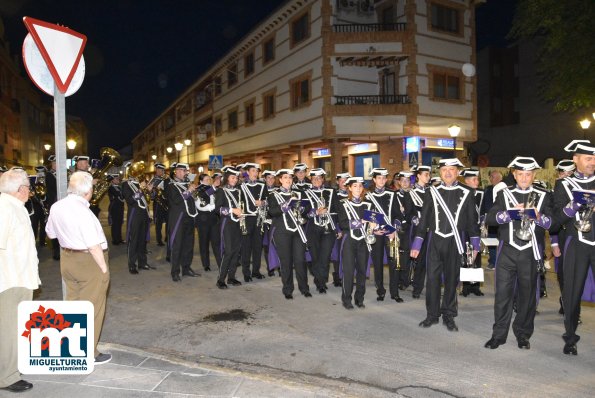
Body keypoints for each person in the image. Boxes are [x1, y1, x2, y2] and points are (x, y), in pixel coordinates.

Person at [484, 157, 554, 350]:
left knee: (528, 296)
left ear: (533, 175)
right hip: (507, 251)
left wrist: (539, 217)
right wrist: (509, 213)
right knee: (502, 295)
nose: (524, 178)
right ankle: (498, 335)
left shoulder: (543, 196)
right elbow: (490, 218)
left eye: (528, 174)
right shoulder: (504, 194)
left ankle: (523, 334)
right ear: (514, 175)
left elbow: (552, 224)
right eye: (520, 174)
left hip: (530, 252)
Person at [45, 171, 111, 365]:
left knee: (73, 306)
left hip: (67, 258)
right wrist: (104, 270)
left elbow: (50, 234)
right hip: (89, 261)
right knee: (92, 308)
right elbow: (93, 245)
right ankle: (90, 353)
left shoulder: (57, 206)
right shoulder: (84, 213)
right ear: (88, 191)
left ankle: (70, 346)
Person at [410, 159, 480, 332]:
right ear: (439, 172)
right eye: (444, 170)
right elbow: (424, 218)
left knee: (451, 279)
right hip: (435, 240)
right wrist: (417, 243)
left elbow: (472, 221)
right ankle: (432, 315)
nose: (448, 173)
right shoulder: (431, 191)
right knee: (432, 279)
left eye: (451, 169)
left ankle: (449, 314)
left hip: (455, 242)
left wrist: (475, 245)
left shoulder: (467, 192)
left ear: (457, 172)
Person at [553, 140, 595, 355]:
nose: (593, 162)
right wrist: (573, 206)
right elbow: (554, 222)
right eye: (588, 158)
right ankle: (570, 338)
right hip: (576, 243)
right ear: (576, 159)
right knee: (572, 292)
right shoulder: (564, 185)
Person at [0, 168, 40, 393]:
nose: (30, 191)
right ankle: (6, 376)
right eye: (28, 187)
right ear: (20, 189)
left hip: (20, 277)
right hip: (9, 280)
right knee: (7, 330)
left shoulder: (14, 207)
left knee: (15, 328)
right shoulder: (5, 208)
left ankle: (11, 368)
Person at [268, 168, 311, 299]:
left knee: (300, 260)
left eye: (290, 178)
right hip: (281, 232)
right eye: (285, 177)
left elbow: (307, 208)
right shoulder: (273, 195)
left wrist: (303, 209)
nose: (288, 180)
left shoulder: (298, 193)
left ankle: (304, 288)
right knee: (286, 261)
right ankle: (288, 289)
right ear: (280, 180)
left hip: (297, 230)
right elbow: (272, 212)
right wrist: (283, 207)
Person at [366, 167, 404, 302]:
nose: (382, 180)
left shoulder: (392, 194)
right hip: (376, 233)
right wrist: (373, 230)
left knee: (394, 262)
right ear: (374, 179)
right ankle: (380, 290)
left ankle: (395, 292)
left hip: (390, 234)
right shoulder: (368, 195)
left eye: (384, 178)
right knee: (377, 263)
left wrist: (394, 230)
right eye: (379, 178)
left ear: (386, 179)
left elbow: (398, 215)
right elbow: (366, 217)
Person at [338, 176, 372, 309]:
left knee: (362, 271)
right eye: (355, 186)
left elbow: (372, 222)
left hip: (363, 242)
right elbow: (343, 224)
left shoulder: (368, 204)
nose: (358, 188)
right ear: (350, 188)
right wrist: (361, 222)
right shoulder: (343, 204)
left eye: (360, 186)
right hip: (349, 242)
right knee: (348, 271)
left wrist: (374, 226)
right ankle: (346, 299)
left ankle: (360, 298)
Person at [304, 168, 336, 294]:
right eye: (314, 178)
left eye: (319, 178)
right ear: (311, 180)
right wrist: (316, 212)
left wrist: (338, 229)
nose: (317, 180)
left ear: (323, 179)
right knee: (316, 257)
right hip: (313, 230)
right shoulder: (305, 193)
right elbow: (303, 213)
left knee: (325, 257)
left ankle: (321, 283)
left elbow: (337, 211)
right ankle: (319, 280)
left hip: (328, 229)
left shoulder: (331, 192)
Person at [550, 159, 576, 315]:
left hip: (581, 235)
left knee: (578, 272)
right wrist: (554, 243)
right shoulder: (554, 192)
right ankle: (567, 302)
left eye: (569, 173)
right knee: (564, 272)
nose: (566, 176)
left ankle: (573, 306)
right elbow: (553, 219)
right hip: (563, 235)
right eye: (562, 173)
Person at [166, 163, 199, 281]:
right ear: (177, 171)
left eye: (186, 171)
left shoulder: (186, 184)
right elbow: (176, 200)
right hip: (178, 218)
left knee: (188, 245)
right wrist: (189, 191)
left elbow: (193, 199)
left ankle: (186, 268)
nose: (185, 173)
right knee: (177, 245)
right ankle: (175, 271)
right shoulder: (171, 185)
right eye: (183, 171)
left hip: (189, 217)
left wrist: (194, 192)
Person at [214, 166, 244, 288]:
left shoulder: (238, 191)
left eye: (236, 177)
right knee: (229, 251)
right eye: (232, 177)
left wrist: (241, 214)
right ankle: (221, 279)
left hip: (237, 223)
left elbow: (240, 206)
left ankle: (231, 277)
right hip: (226, 224)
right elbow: (218, 209)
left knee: (236, 251)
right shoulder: (221, 191)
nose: (235, 180)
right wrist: (232, 210)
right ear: (227, 178)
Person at [122, 163, 154, 274]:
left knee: (142, 240)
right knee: (133, 240)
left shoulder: (142, 183)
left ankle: (142, 263)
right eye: (136, 172)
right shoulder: (126, 184)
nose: (138, 174)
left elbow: (149, 199)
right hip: (134, 214)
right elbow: (130, 200)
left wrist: (150, 190)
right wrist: (140, 190)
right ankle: (132, 265)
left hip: (144, 214)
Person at [239, 163, 268, 281]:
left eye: (257, 171)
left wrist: (262, 203)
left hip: (258, 219)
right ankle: (246, 273)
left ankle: (256, 271)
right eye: (253, 171)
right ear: (247, 172)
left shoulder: (262, 185)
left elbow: (268, 200)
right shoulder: (241, 186)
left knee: (257, 247)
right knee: (246, 247)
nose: (255, 173)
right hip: (246, 219)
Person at [460, 168, 485, 297]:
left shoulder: (481, 193)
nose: (477, 181)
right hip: (465, 229)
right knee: (466, 257)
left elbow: (483, 209)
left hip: (476, 229)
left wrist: (483, 221)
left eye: (477, 179)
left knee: (477, 257)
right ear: (467, 181)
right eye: (474, 179)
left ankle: (475, 287)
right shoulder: (462, 193)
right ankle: (465, 287)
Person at [409, 165, 431, 299]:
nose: (428, 177)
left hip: (432, 229)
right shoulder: (411, 192)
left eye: (429, 175)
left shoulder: (432, 191)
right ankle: (417, 288)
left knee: (433, 261)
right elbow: (409, 212)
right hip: (419, 230)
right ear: (418, 176)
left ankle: (432, 288)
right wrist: (417, 220)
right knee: (421, 261)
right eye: (425, 175)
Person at [394, 171, 416, 291]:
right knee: (397, 255)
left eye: (407, 181)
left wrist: (407, 213)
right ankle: (397, 279)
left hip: (409, 229)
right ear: (399, 182)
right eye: (402, 181)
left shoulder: (414, 195)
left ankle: (405, 280)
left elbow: (415, 212)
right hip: (397, 229)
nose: (405, 183)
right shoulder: (394, 195)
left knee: (406, 256)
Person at [194, 173, 219, 271]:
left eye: (209, 179)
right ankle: (206, 264)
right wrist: (213, 187)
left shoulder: (212, 189)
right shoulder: (198, 190)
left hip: (214, 219)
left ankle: (220, 262)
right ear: (200, 181)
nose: (209, 180)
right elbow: (201, 200)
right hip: (203, 221)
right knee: (204, 243)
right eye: (206, 179)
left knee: (216, 243)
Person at [330, 172, 350, 287]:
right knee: (337, 253)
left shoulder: (353, 194)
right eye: (341, 180)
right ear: (337, 182)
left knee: (349, 254)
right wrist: (338, 229)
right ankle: (337, 275)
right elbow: (333, 214)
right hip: (339, 228)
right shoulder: (334, 196)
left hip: (351, 228)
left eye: (346, 180)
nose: (344, 182)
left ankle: (348, 276)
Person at [481, 170, 503, 269]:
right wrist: (484, 220)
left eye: (493, 177)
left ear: (499, 178)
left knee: (503, 241)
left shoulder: (505, 188)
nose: (490, 178)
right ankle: (493, 262)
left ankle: (501, 263)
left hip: (503, 219)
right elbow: (484, 204)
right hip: (491, 219)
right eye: (490, 177)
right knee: (491, 240)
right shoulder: (488, 189)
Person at [261, 170, 278, 277]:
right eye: (268, 178)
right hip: (264, 220)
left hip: (277, 220)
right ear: (265, 179)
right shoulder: (261, 190)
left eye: (273, 178)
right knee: (267, 246)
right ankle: (270, 268)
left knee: (279, 245)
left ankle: (281, 267)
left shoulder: (278, 190)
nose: (271, 180)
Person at [44, 155, 61, 260]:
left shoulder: (62, 174)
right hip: (54, 203)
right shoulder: (49, 175)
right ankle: (56, 252)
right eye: (54, 163)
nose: (56, 165)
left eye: (57, 163)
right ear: (52, 164)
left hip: (61, 204)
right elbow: (54, 188)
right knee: (55, 227)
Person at [152, 163, 169, 247]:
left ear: (163, 171)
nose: (158, 172)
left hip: (166, 203)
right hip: (158, 203)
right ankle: (159, 240)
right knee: (158, 223)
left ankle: (167, 237)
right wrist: (154, 189)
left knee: (168, 222)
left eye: (160, 170)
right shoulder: (154, 180)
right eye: (157, 170)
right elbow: (151, 194)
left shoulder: (167, 179)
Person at [107, 174, 125, 245]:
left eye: (118, 179)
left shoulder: (119, 187)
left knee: (119, 223)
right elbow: (119, 195)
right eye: (116, 179)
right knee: (115, 224)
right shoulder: (111, 188)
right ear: (112, 180)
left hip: (120, 207)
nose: (118, 180)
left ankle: (119, 239)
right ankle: (115, 240)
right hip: (114, 207)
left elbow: (123, 195)